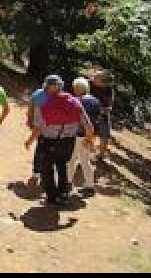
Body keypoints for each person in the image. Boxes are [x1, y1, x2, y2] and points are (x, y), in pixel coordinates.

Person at [32, 75, 95, 205]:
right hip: (68, 142)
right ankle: (63, 194)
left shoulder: (44, 104)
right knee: (62, 165)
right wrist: (89, 139)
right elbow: (89, 126)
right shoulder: (75, 102)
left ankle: (52, 196)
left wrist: (30, 139)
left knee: (47, 169)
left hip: (49, 141)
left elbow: (38, 127)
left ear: (47, 87)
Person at [67, 77, 101, 198]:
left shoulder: (76, 100)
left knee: (71, 159)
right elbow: (97, 120)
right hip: (90, 134)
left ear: (77, 88)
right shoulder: (96, 101)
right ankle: (90, 186)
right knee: (85, 160)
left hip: (77, 134)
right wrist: (92, 137)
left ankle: (67, 183)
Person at [25, 75, 57, 188]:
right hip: (44, 129)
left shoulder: (56, 95)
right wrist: (30, 120)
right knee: (41, 152)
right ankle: (36, 175)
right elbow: (31, 108)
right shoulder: (40, 95)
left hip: (52, 130)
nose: (59, 87)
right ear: (50, 85)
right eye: (56, 85)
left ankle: (41, 175)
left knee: (45, 153)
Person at [90, 70, 116, 160]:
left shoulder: (109, 89)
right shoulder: (89, 84)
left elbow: (109, 107)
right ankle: (84, 152)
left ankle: (101, 155)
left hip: (102, 113)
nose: (93, 78)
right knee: (88, 131)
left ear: (103, 83)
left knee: (105, 134)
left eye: (96, 77)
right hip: (88, 111)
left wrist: (101, 111)